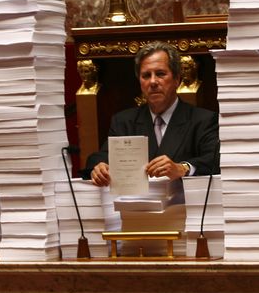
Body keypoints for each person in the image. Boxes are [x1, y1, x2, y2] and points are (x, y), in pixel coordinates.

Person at [85, 41, 219, 186]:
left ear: (177, 79)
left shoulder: (203, 120)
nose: (153, 82)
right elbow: (101, 156)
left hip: (183, 205)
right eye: (146, 76)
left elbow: (214, 160)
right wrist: (99, 167)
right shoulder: (124, 121)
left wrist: (183, 168)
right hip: (134, 205)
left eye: (160, 74)